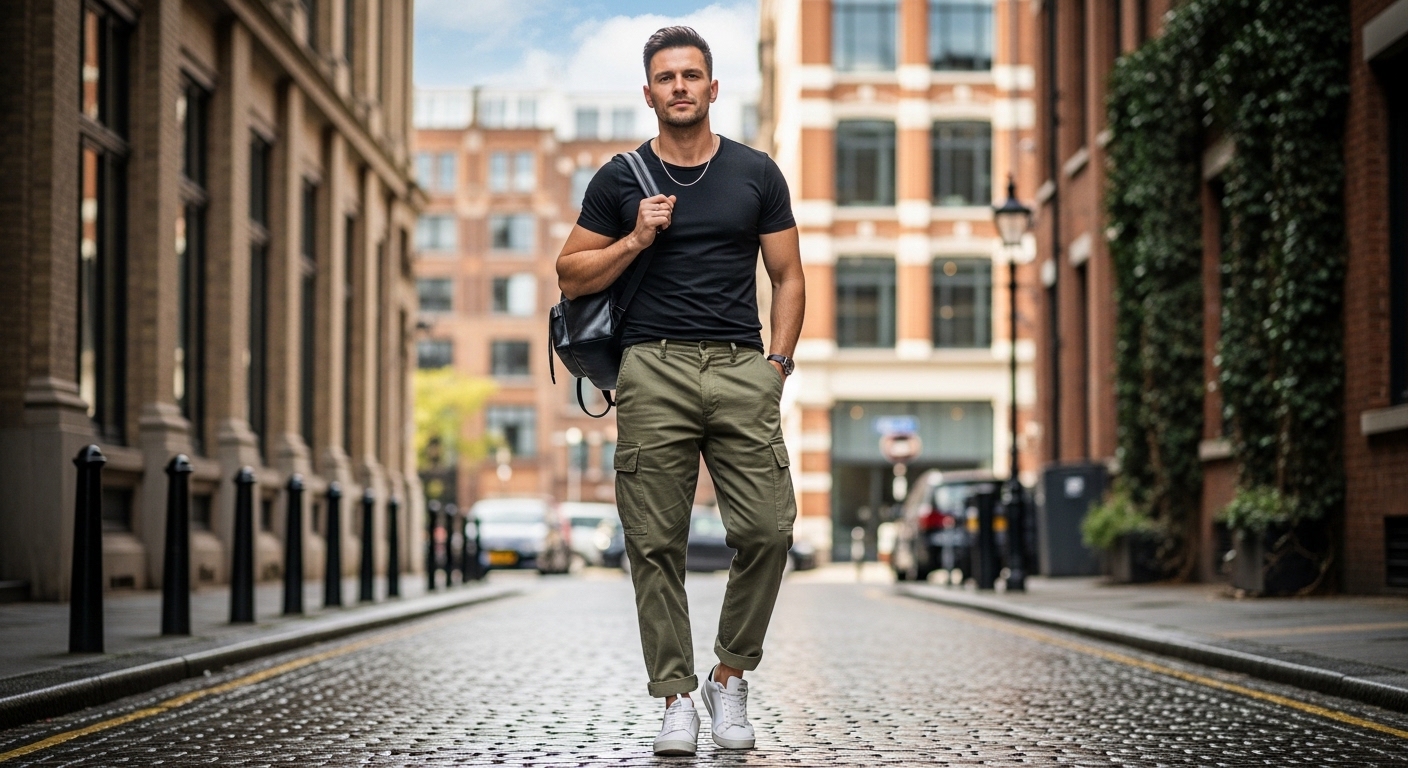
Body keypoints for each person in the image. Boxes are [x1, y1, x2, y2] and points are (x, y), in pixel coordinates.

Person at [555, 25, 805, 757]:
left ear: (713, 87)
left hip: (740, 367)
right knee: (653, 542)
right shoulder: (618, 179)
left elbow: (789, 275)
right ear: (649, 93)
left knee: (769, 530)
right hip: (652, 367)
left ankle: (728, 676)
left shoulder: (756, 173)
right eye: (666, 78)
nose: (680, 87)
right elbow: (569, 273)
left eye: (691, 75)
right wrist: (635, 238)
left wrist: (777, 366)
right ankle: (676, 699)